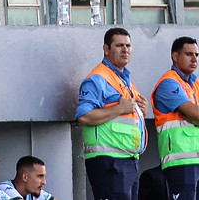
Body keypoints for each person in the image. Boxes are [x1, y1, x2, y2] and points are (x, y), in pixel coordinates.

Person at [78, 26, 149, 200]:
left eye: (128, 45)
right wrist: (119, 108)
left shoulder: (123, 79)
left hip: (128, 159)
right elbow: (84, 116)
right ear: (106, 49)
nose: (125, 49)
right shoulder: (97, 79)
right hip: (109, 160)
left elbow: (126, 117)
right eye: (119, 45)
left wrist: (141, 112)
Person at [156, 37, 199, 200]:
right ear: (175, 56)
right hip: (179, 161)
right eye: (189, 54)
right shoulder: (169, 83)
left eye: (196, 55)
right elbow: (195, 114)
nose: (194, 59)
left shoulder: (194, 84)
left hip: (195, 159)